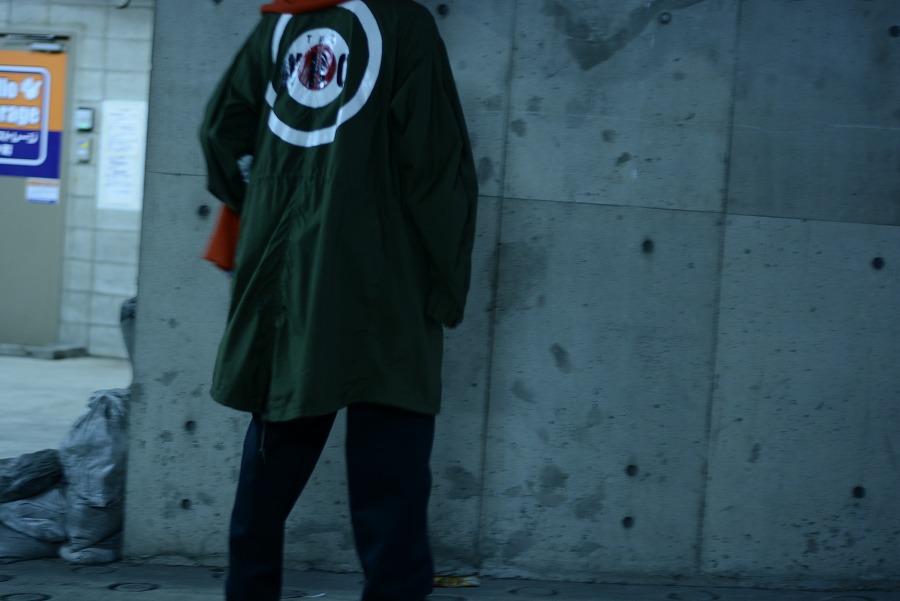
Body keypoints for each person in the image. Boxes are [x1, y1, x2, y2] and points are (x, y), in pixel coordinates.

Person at [198, 0, 478, 600]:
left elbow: (219, 133)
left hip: (289, 284)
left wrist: (266, 205)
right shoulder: (405, 24)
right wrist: (447, 284)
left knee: (269, 473)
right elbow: (435, 168)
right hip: (388, 288)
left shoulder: (279, 24)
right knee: (392, 483)